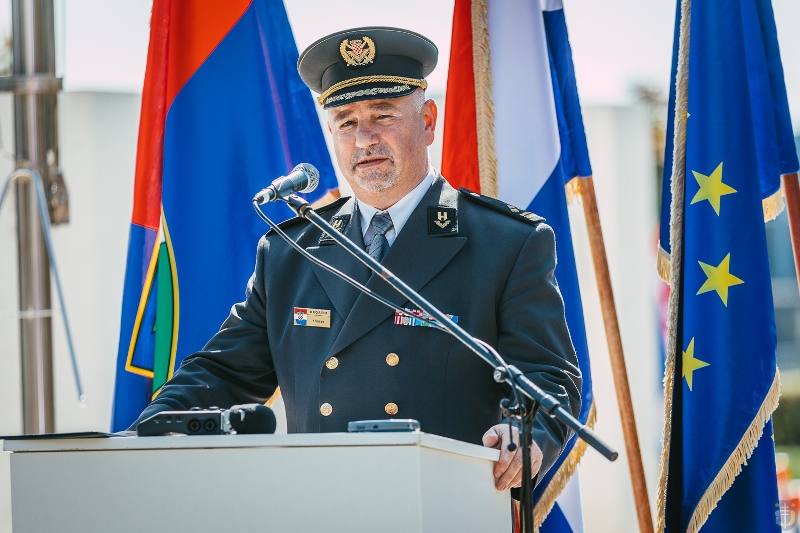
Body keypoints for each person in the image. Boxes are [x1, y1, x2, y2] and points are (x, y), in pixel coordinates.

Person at [130, 26, 581, 493]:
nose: (364, 139)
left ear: (428, 121)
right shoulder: (289, 251)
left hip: (443, 504)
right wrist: (146, 430)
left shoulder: (504, 243)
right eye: (345, 121)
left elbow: (549, 378)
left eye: (383, 115)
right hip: (321, 504)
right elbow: (224, 371)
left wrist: (527, 434)